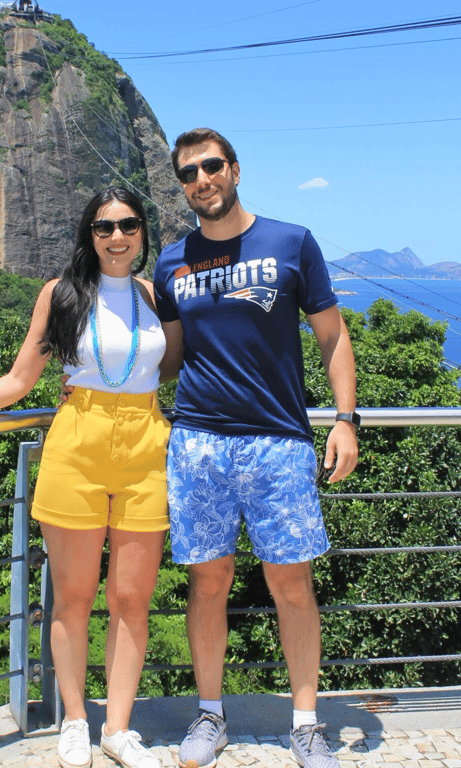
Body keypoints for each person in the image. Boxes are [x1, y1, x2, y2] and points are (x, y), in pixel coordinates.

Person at [0, 187, 178, 768]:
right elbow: (19, 379)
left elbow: (178, 364)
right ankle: (76, 720)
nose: (117, 236)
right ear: (89, 234)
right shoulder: (61, 294)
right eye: (104, 227)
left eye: (128, 225)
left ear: (142, 232)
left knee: (132, 600)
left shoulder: (156, 296)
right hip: (76, 444)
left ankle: (119, 728)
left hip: (146, 446)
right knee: (73, 599)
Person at [151, 128, 359, 768]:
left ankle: (306, 725)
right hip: (198, 442)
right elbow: (169, 358)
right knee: (207, 582)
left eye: (212, 166)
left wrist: (346, 420)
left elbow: (332, 336)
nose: (202, 180)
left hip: (278, 442)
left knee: (291, 583)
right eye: (189, 173)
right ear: (181, 185)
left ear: (235, 170)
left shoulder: (291, 242)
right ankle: (210, 715)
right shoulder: (170, 262)